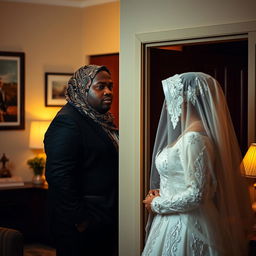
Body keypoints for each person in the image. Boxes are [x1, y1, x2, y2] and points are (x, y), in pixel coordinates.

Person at [142, 72, 253, 256]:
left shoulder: (194, 139)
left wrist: (157, 204)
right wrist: (164, 191)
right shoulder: (188, 135)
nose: (168, 104)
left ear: (185, 101)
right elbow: (184, 180)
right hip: (171, 220)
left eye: (171, 98)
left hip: (188, 225)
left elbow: (198, 194)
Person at [44, 65, 118, 256]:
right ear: (82, 88)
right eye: (100, 86)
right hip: (82, 224)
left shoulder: (100, 120)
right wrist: (81, 220)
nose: (108, 91)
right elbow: (59, 176)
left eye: (110, 86)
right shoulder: (68, 122)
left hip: (105, 218)